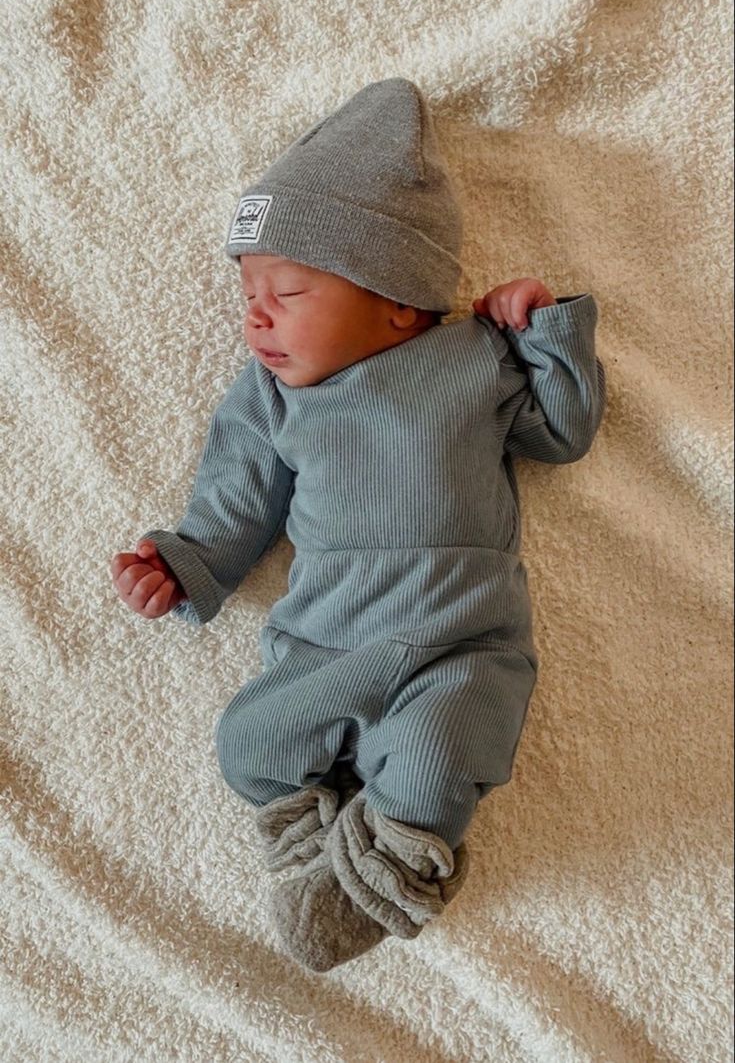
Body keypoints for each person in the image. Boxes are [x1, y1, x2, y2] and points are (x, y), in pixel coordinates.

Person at [110, 77, 607, 971]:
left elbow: (563, 432)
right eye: (248, 290)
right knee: (247, 745)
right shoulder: (271, 393)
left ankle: (387, 867)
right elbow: (238, 489)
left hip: (460, 643)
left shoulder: (474, 359)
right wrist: (188, 559)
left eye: (286, 290)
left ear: (397, 299)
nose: (255, 314)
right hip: (323, 644)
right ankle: (314, 844)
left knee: (440, 759)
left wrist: (540, 330)